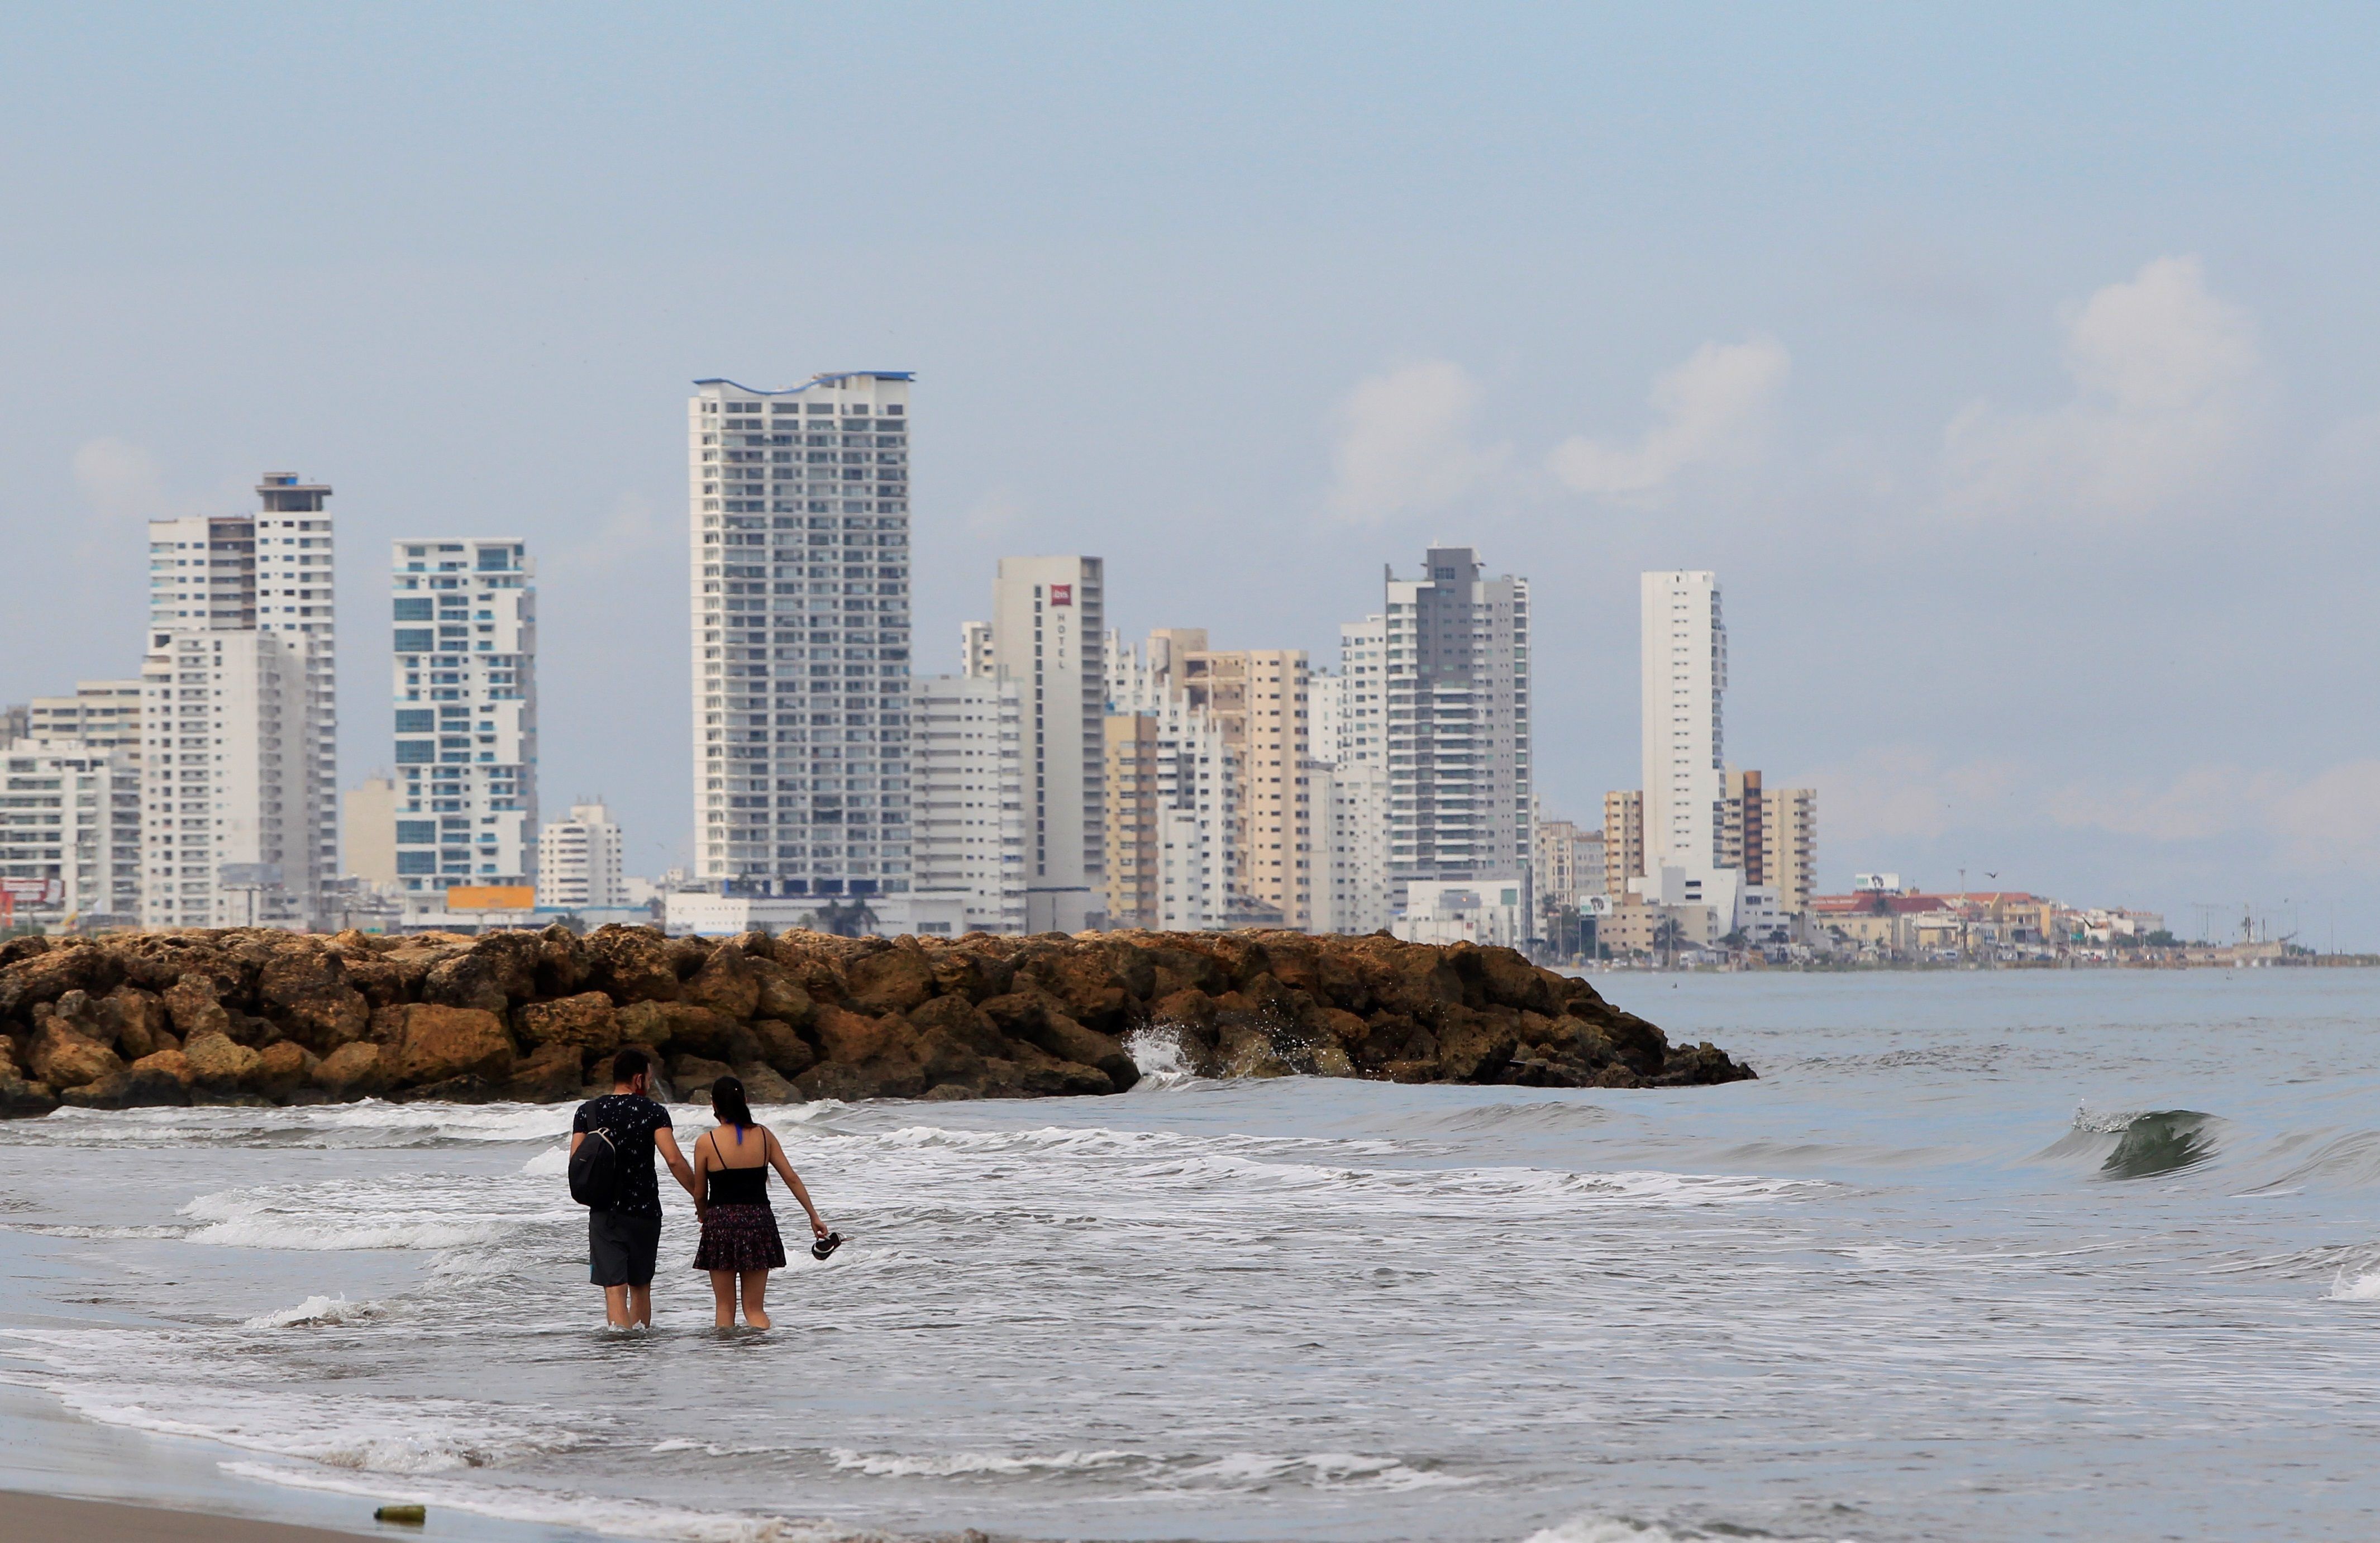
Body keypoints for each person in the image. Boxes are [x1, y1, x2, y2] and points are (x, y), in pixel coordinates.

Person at [570, 1049, 699, 1328]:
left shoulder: (588, 1112)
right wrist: (700, 1197)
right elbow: (674, 1160)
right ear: (639, 1079)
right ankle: (640, 1352)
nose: (650, 1084)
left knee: (615, 1290)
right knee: (641, 1287)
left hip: (605, 1212)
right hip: (645, 1213)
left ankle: (621, 1350)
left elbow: (576, 1162)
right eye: (649, 1078)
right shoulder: (653, 1111)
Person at [690, 1074, 830, 1329]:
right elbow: (792, 1178)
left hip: (721, 1223)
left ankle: (726, 1362)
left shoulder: (706, 1142)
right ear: (745, 1100)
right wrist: (814, 1216)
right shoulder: (765, 1136)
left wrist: (704, 1216)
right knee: (755, 1308)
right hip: (759, 1221)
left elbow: (700, 1193)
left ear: (714, 1105)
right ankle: (763, 1363)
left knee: (724, 1307)